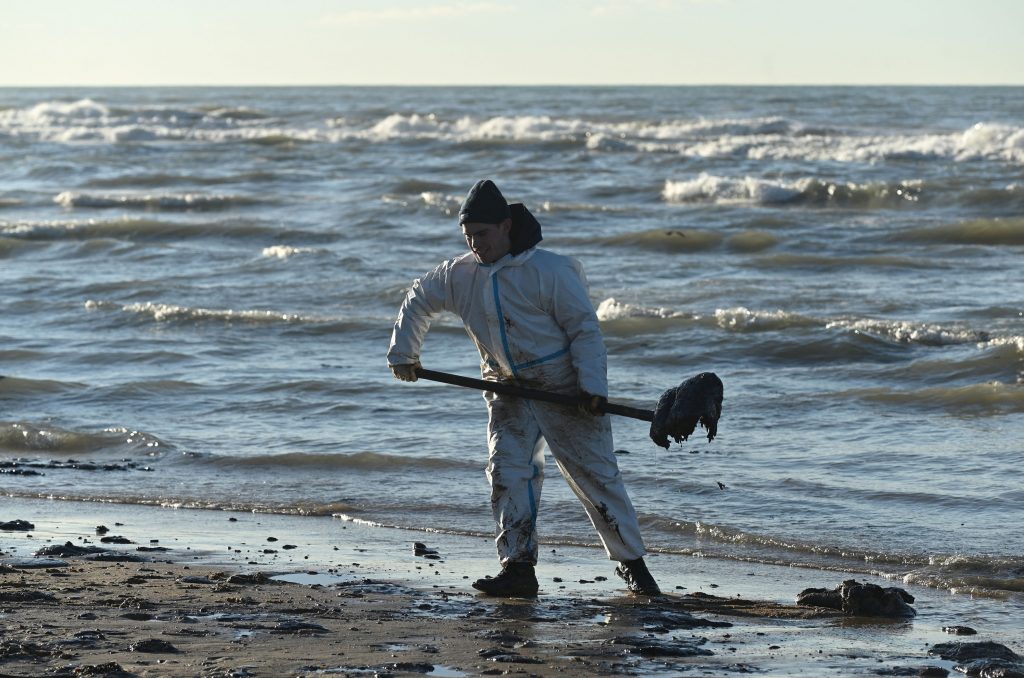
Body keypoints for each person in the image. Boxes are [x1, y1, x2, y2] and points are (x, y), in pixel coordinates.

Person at [387, 179, 660, 597]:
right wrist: (404, 354)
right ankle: (517, 569)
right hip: (504, 386)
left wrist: (591, 386)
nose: (476, 244)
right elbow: (419, 297)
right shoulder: (458, 275)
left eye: (483, 234)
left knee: (595, 478)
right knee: (508, 472)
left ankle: (634, 568)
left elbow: (584, 330)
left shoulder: (551, 271)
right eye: (468, 236)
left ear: (507, 226)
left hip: (563, 386)